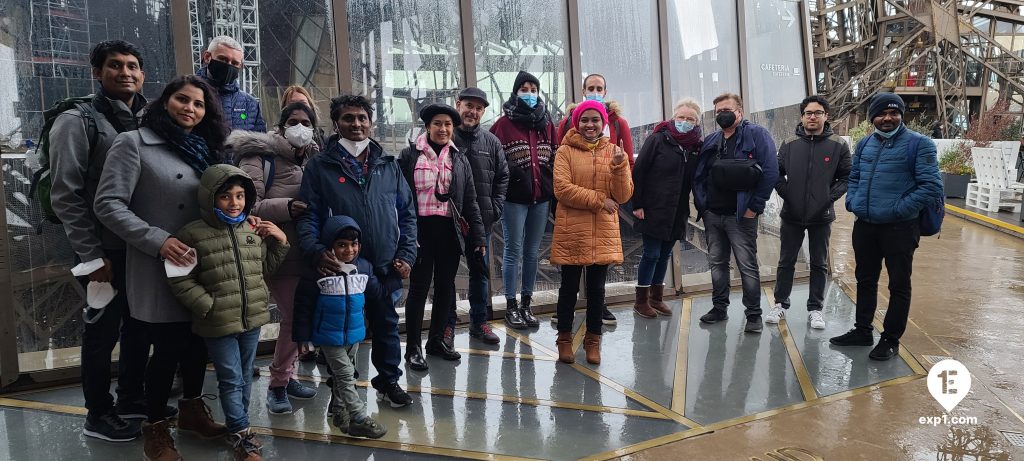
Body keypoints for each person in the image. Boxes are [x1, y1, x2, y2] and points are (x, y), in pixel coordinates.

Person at [95, 75, 231, 461]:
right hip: (159, 264)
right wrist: (158, 241)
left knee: (196, 344)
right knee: (167, 349)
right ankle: (154, 428)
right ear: (163, 101)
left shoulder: (206, 147)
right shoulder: (133, 143)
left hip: (203, 262)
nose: (190, 108)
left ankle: (191, 412)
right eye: (182, 99)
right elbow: (108, 204)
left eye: (199, 104)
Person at [48, 40, 152, 442]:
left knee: (138, 327)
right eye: (115, 65)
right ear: (97, 72)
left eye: (132, 65)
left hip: (137, 248)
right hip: (100, 251)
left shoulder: (148, 119)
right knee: (101, 330)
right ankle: (98, 413)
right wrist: (91, 256)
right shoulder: (78, 121)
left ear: (142, 74)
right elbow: (66, 195)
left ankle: (130, 397)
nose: (125, 72)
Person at [296, 94, 416, 408]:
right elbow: (308, 214)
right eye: (348, 118)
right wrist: (317, 251)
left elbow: (406, 213)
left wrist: (407, 254)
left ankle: (388, 380)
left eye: (362, 118)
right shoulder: (321, 166)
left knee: (387, 326)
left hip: (385, 265)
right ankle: (340, 386)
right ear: (336, 124)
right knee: (343, 330)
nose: (357, 124)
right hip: (343, 265)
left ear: (371, 122)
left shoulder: (387, 164)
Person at [169, 165, 290, 461]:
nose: (234, 203)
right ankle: (241, 433)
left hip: (252, 319)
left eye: (239, 196)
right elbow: (179, 277)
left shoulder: (251, 229)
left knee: (244, 376)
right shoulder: (191, 234)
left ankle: (241, 427)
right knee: (231, 377)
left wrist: (281, 241)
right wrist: (207, 306)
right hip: (219, 321)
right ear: (210, 197)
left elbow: (264, 270)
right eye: (225, 196)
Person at [830, 92, 942, 361]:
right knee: (865, 280)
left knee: (899, 285)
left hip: (899, 228)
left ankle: (891, 339)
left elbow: (931, 187)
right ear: (873, 118)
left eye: (894, 113)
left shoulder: (920, 144)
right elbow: (854, 177)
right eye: (882, 113)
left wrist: (897, 210)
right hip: (865, 225)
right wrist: (854, 202)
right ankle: (862, 330)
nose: (888, 118)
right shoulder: (866, 143)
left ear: (901, 116)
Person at [232, 102, 320, 414]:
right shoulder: (259, 157)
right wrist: (288, 206)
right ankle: (278, 384)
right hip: (273, 253)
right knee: (293, 318)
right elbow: (244, 205)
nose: (300, 127)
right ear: (280, 127)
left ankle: (287, 373)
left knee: (299, 319)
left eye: (306, 122)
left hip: (307, 252)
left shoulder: (313, 158)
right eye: (293, 121)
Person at [398, 103, 486, 370]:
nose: (443, 129)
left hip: (449, 232)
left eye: (448, 124)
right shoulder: (409, 156)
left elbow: (470, 201)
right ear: (427, 127)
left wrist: (479, 236)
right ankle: (413, 347)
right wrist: (403, 235)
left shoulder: (459, 159)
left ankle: (436, 341)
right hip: (420, 231)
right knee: (419, 288)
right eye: (438, 124)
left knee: (446, 288)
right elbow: (399, 198)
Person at [551, 100, 633, 365]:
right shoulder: (565, 151)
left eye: (595, 120)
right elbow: (562, 189)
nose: (590, 125)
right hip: (573, 229)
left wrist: (620, 167)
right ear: (577, 122)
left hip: (602, 231)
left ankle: (593, 340)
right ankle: (564, 338)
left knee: (598, 290)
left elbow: (622, 195)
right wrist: (599, 200)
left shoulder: (614, 152)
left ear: (603, 123)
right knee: (569, 288)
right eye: (584, 120)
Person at [294, 216, 390, 438]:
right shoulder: (318, 271)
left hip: (354, 333)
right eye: (342, 245)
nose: (349, 250)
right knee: (346, 374)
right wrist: (302, 337)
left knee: (346, 375)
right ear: (330, 245)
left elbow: (377, 293)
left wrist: (397, 278)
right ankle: (358, 417)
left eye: (353, 244)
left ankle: (339, 413)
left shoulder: (363, 268)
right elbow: (303, 306)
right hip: (328, 336)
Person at [692, 93, 779, 334]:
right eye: (718, 111)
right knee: (717, 264)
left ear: (740, 111)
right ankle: (719, 308)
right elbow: (699, 175)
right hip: (713, 215)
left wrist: (755, 207)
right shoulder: (711, 140)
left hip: (741, 216)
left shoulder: (757, 135)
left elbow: (771, 172)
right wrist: (703, 206)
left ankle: (754, 315)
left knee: (747, 266)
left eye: (727, 110)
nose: (722, 114)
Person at [766, 95, 851, 330]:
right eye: (808, 113)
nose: (812, 117)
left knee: (819, 263)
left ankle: (815, 309)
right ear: (802, 117)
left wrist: (827, 198)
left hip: (821, 215)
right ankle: (780, 304)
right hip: (792, 214)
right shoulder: (790, 142)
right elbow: (775, 172)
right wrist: (788, 193)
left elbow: (847, 177)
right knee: (786, 261)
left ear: (826, 116)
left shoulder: (838, 145)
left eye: (817, 113)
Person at [489, 71, 558, 329]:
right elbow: (494, 156)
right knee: (512, 251)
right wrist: (514, 173)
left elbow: (555, 153)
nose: (529, 93)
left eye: (533, 88)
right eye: (524, 89)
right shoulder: (503, 124)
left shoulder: (546, 123)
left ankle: (527, 304)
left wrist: (548, 180)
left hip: (540, 199)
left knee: (532, 253)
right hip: (514, 199)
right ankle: (511, 306)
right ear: (516, 92)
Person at [443, 87, 509, 346]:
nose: (473, 111)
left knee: (480, 273)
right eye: (468, 105)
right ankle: (447, 325)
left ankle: (479, 322)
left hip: (481, 221)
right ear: (457, 104)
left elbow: (503, 176)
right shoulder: (445, 136)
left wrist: (495, 208)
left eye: (479, 108)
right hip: (448, 221)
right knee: (446, 274)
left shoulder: (491, 142)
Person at [630, 98, 703, 318]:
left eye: (690, 119)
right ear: (673, 117)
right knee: (651, 254)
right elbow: (639, 171)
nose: (685, 122)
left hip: (677, 210)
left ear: (696, 122)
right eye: (681, 117)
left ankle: (656, 298)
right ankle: (641, 300)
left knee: (664, 255)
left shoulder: (695, 146)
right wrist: (638, 204)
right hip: (654, 207)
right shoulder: (658, 139)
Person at [557, 73, 635, 167]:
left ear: (605, 92)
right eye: (591, 89)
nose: (595, 92)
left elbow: (629, 162)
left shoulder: (618, 123)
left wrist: (622, 180)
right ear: (584, 92)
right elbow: (559, 159)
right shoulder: (567, 123)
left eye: (599, 89)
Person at [198, 35, 266, 132]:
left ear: (241, 66)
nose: (228, 65)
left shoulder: (250, 103)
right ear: (207, 57)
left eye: (234, 63)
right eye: (223, 59)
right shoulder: (190, 93)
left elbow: (261, 142)